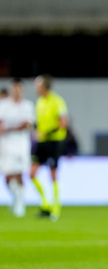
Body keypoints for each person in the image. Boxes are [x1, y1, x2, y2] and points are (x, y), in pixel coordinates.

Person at [31, 75, 69, 221]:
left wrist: (46, 133)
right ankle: (45, 204)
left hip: (54, 142)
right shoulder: (39, 102)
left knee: (52, 175)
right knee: (32, 173)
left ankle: (55, 207)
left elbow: (63, 123)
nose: (35, 88)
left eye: (37, 85)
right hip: (42, 142)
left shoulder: (57, 101)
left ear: (44, 86)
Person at [0, 78, 35, 217]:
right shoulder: (3, 105)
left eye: (19, 88)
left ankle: (20, 202)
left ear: (22, 90)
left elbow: (28, 124)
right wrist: (16, 127)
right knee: (7, 175)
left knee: (19, 174)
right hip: (6, 145)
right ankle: (16, 196)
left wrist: (9, 129)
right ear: (11, 89)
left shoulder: (28, 106)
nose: (16, 90)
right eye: (14, 88)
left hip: (21, 144)